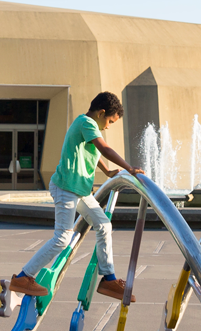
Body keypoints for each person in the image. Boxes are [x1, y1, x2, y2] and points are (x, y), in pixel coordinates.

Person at [9, 92, 144, 300]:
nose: (108, 126)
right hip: (65, 188)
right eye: (109, 121)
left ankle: (109, 279)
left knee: (103, 224)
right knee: (62, 238)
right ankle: (23, 277)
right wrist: (129, 168)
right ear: (101, 113)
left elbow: (93, 151)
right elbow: (104, 148)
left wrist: (107, 171)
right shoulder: (86, 122)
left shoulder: (89, 127)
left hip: (79, 190)